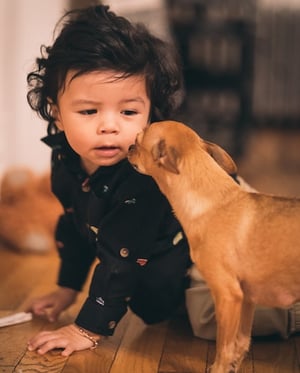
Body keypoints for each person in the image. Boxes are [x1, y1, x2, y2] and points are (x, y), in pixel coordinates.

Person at [26, 4, 300, 357]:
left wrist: (87, 329)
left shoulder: (142, 177)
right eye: (89, 111)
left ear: (149, 110)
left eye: (128, 112)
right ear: (56, 113)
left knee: (211, 316)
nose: (109, 126)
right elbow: (77, 227)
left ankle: (293, 311)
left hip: (214, 234)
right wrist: (66, 287)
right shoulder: (65, 159)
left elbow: (121, 260)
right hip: (171, 251)